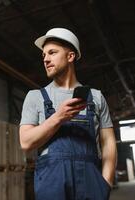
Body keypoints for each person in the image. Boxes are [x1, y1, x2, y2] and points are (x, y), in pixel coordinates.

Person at [19, 28, 117, 200]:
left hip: (91, 181)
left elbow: (108, 141)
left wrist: (105, 183)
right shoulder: (35, 97)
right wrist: (59, 117)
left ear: (70, 56)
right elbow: (26, 142)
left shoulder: (95, 97)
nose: (46, 59)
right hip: (52, 183)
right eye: (43, 55)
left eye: (52, 53)